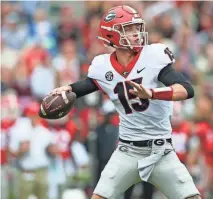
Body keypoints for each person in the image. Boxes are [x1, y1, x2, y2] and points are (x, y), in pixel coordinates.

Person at [48, 5, 200, 199]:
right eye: (128, 29)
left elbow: (186, 89)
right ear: (111, 36)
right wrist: (67, 89)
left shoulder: (153, 56)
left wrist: (153, 94)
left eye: (136, 27)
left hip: (161, 151)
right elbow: (87, 85)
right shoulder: (102, 67)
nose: (136, 33)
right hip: (127, 151)